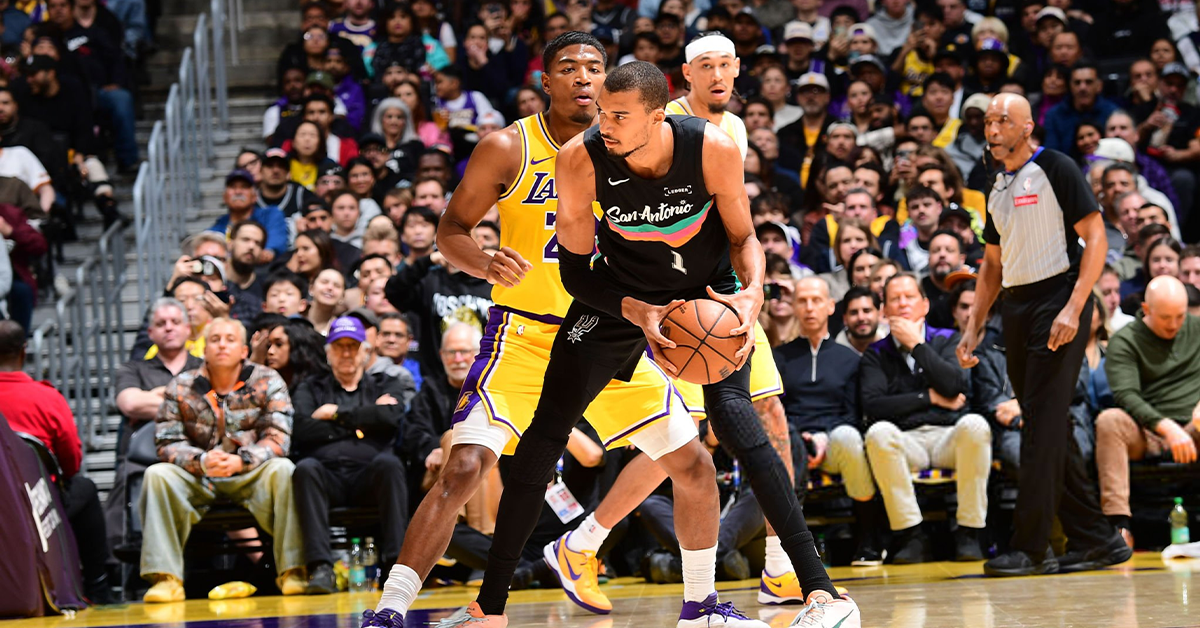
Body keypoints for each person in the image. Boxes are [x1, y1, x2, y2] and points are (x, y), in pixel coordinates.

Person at [361, 35, 760, 628]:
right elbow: (451, 230)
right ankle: (391, 609)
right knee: (464, 466)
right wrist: (482, 263)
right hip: (524, 337)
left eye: (594, 68)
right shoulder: (508, 146)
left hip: (610, 332)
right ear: (545, 81)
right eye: (568, 68)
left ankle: (701, 607)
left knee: (694, 465)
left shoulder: (633, 145)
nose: (583, 77)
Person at [455, 60, 858, 627]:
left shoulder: (712, 147)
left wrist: (751, 295)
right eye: (602, 112)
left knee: (742, 424)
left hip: (706, 297)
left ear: (657, 115)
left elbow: (744, 238)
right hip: (620, 296)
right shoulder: (579, 158)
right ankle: (488, 608)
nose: (604, 125)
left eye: (619, 116)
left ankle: (819, 593)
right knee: (544, 436)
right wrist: (637, 311)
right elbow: (575, 274)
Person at [957, 93, 1131, 577]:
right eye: (988, 122)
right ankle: (1097, 539)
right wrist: (974, 325)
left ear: (1027, 127)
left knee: (1038, 426)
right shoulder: (995, 182)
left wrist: (1075, 307)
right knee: (1046, 424)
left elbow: (1096, 237)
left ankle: (1032, 548)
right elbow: (992, 264)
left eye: (1003, 121)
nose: (993, 129)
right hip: (1016, 306)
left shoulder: (1056, 167)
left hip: (1058, 299)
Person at [138, 318, 305, 602]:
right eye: (215, 339)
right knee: (157, 475)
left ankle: (293, 571)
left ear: (243, 350)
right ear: (204, 349)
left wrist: (242, 461)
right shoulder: (181, 385)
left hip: (250, 474)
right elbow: (167, 442)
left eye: (230, 339)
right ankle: (166, 578)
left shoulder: (268, 380)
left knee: (284, 469)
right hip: (199, 475)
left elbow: (278, 437)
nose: (222, 345)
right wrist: (201, 460)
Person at [861, 273, 990, 564]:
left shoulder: (948, 338)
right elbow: (874, 406)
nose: (903, 303)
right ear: (885, 310)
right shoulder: (876, 353)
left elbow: (955, 385)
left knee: (976, 426)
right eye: (895, 299)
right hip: (907, 442)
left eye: (909, 297)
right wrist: (929, 397)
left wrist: (917, 346)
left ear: (925, 304)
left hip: (948, 438)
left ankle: (969, 533)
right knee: (878, 433)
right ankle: (911, 535)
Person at [292, 316, 411, 594]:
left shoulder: (385, 383)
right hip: (327, 478)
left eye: (353, 346)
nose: (346, 353)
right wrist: (364, 424)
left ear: (365, 351)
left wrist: (335, 414)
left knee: (390, 465)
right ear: (328, 352)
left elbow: (391, 418)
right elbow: (302, 428)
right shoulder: (310, 387)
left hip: (369, 478)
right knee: (305, 469)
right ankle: (321, 568)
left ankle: (396, 565)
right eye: (339, 346)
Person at [0, 320, 116, 602]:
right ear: (24, 351)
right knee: (85, 487)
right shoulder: (47, 398)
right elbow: (71, 464)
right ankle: (97, 584)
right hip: (40, 505)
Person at [773, 278, 881, 565]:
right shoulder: (778, 357)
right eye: (802, 301)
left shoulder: (850, 359)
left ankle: (869, 538)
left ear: (831, 306)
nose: (810, 308)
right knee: (781, 442)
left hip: (834, 442)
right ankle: (785, 555)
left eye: (817, 300)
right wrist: (800, 438)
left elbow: (852, 415)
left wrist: (823, 437)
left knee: (849, 437)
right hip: (791, 443)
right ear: (794, 307)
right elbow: (774, 411)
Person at [1097, 276, 1200, 549]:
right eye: (1165, 317)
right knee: (1109, 421)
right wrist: (1167, 427)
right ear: (1146, 309)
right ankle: (1119, 526)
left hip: (1195, 426)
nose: (1174, 324)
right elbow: (1126, 395)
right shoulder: (1125, 340)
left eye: (1180, 316)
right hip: (1146, 432)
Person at [108, 298, 204, 550]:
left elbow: (220, 404)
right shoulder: (132, 369)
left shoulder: (205, 367)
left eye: (175, 322)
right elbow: (130, 404)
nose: (169, 327)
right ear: (150, 333)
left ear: (188, 329)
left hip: (199, 455)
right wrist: (192, 404)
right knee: (125, 481)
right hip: (143, 460)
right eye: (161, 324)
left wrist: (157, 396)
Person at [208, 169, 289, 262]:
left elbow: (276, 243)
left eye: (244, 187)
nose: (238, 192)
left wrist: (268, 252)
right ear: (224, 197)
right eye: (233, 187)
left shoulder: (270, 215)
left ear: (255, 196)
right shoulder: (219, 226)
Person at [837, 285, 885, 355]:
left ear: (880, 314)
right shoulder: (835, 353)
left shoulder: (894, 347)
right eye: (854, 313)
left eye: (867, 311)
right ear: (845, 319)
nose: (861, 318)